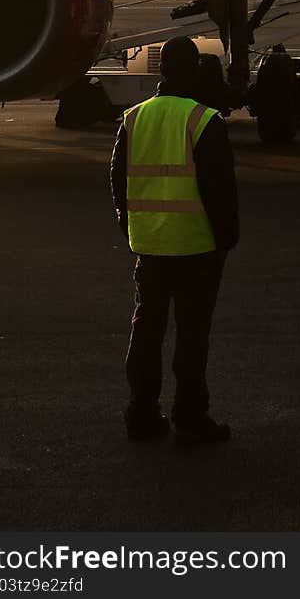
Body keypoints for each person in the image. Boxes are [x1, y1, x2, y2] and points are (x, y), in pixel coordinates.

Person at [110, 36, 238, 443]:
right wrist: (226, 239)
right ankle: (190, 415)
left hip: (149, 245)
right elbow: (219, 188)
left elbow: (117, 178)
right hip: (196, 246)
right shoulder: (204, 120)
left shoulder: (134, 118)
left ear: (160, 69)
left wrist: (129, 223)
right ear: (195, 69)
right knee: (191, 335)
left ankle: (141, 412)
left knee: (147, 329)